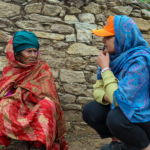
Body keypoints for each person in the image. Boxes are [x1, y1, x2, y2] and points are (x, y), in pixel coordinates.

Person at [82, 15, 150, 150]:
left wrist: (105, 69)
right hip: (128, 110)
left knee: (116, 117)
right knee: (91, 111)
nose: (103, 41)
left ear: (122, 37)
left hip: (145, 116)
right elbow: (98, 88)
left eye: (108, 37)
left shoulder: (139, 60)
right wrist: (108, 97)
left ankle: (145, 146)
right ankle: (125, 141)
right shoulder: (114, 57)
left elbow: (120, 100)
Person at [0, 31, 68, 150]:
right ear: (17, 55)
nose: (33, 55)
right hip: (19, 104)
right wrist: (17, 96)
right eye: (28, 51)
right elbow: (4, 92)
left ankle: (38, 143)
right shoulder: (10, 70)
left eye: (34, 51)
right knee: (4, 105)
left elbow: (49, 94)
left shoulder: (42, 68)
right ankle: (24, 140)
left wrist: (25, 93)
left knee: (48, 105)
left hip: (38, 104)